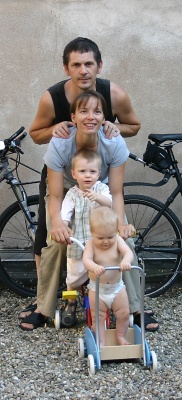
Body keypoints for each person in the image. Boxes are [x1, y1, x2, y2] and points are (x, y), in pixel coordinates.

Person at [19, 37, 158, 331]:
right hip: (66, 186)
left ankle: (134, 309)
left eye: (89, 64)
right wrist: (58, 222)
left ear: (99, 65)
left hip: (101, 189)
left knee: (124, 241)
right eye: (76, 64)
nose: (83, 70)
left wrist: (119, 223)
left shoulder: (112, 135)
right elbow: (55, 194)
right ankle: (43, 308)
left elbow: (117, 191)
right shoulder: (59, 137)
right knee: (54, 241)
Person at [61, 149, 112, 326]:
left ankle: (105, 304)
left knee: (103, 275)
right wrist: (65, 226)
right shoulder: (72, 194)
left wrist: (98, 197)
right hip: (79, 244)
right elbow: (65, 214)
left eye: (92, 171)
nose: (88, 176)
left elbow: (110, 203)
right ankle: (71, 303)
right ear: (74, 174)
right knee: (73, 278)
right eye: (83, 171)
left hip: (99, 244)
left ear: (99, 173)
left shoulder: (102, 189)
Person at [83, 206, 134, 346]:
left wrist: (125, 261)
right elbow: (86, 260)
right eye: (100, 238)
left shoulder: (117, 240)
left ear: (115, 232)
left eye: (110, 236)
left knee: (124, 313)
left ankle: (120, 336)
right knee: (97, 317)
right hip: (97, 289)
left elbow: (128, 253)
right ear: (92, 233)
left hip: (117, 288)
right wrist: (94, 267)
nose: (106, 241)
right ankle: (100, 341)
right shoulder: (90, 244)